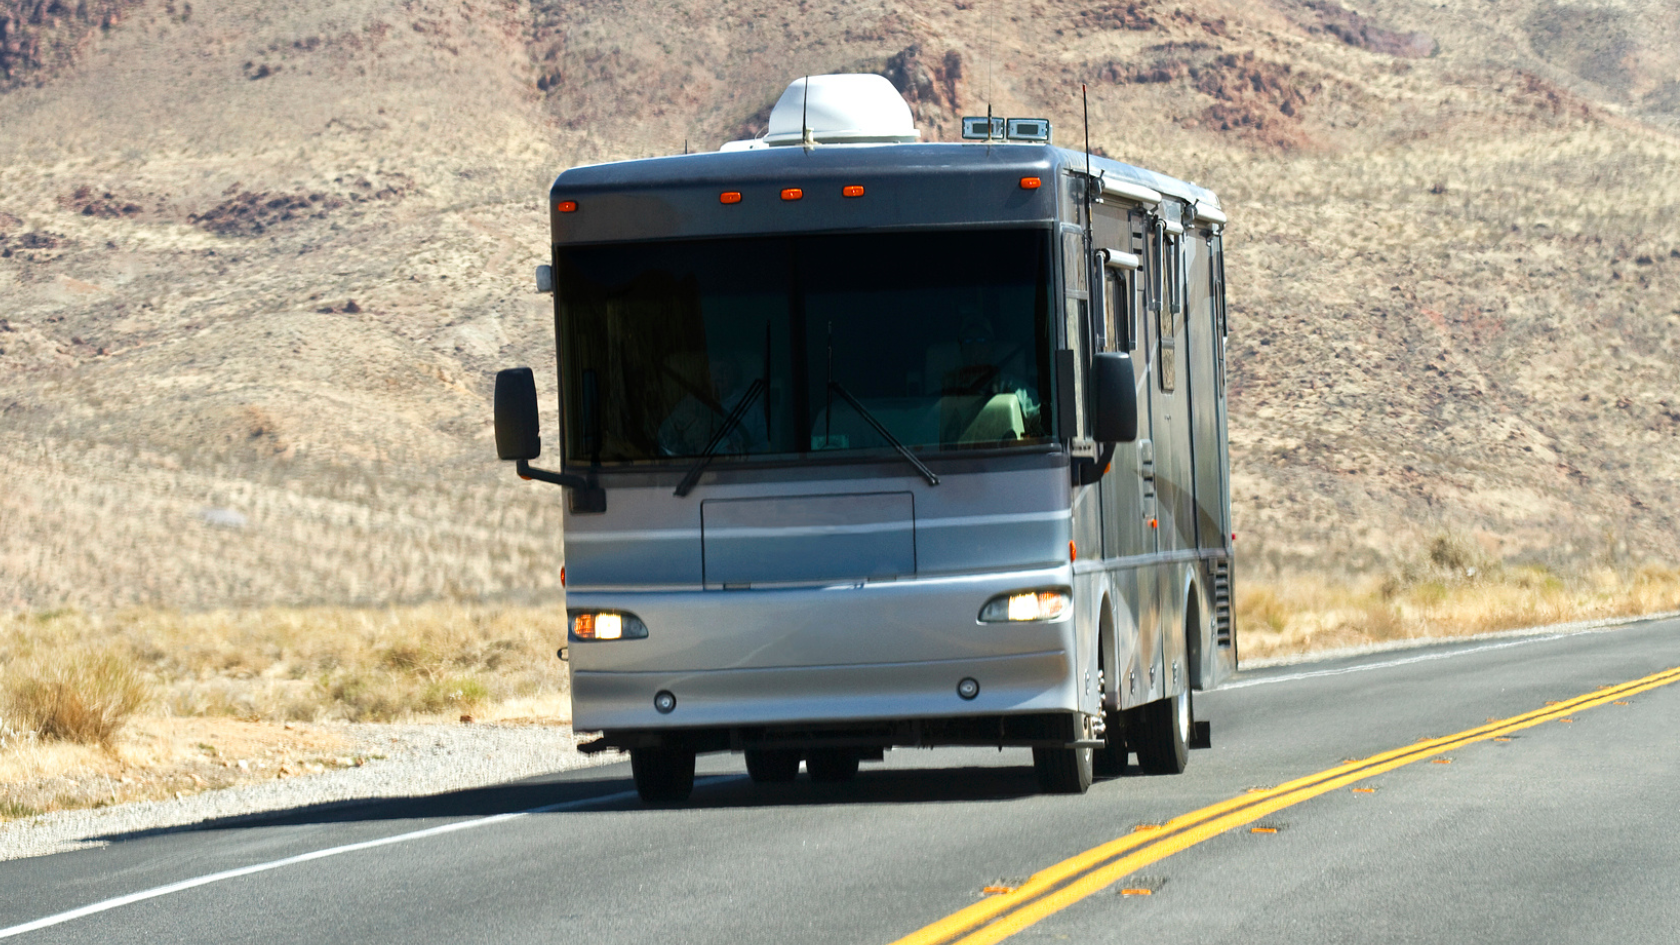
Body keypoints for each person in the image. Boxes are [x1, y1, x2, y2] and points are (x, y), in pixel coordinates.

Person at [940, 312, 1044, 440]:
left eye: (981, 340)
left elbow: (1037, 416)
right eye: (968, 340)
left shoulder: (1008, 386)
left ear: (991, 347)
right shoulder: (948, 386)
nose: (974, 347)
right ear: (961, 348)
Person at [657, 354, 769, 456]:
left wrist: (745, 454)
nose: (719, 377)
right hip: (697, 469)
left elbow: (766, 444)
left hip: (740, 469)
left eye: (724, 371)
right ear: (705, 376)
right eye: (713, 372)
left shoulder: (750, 404)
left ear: (734, 375)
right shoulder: (691, 403)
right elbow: (666, 439)